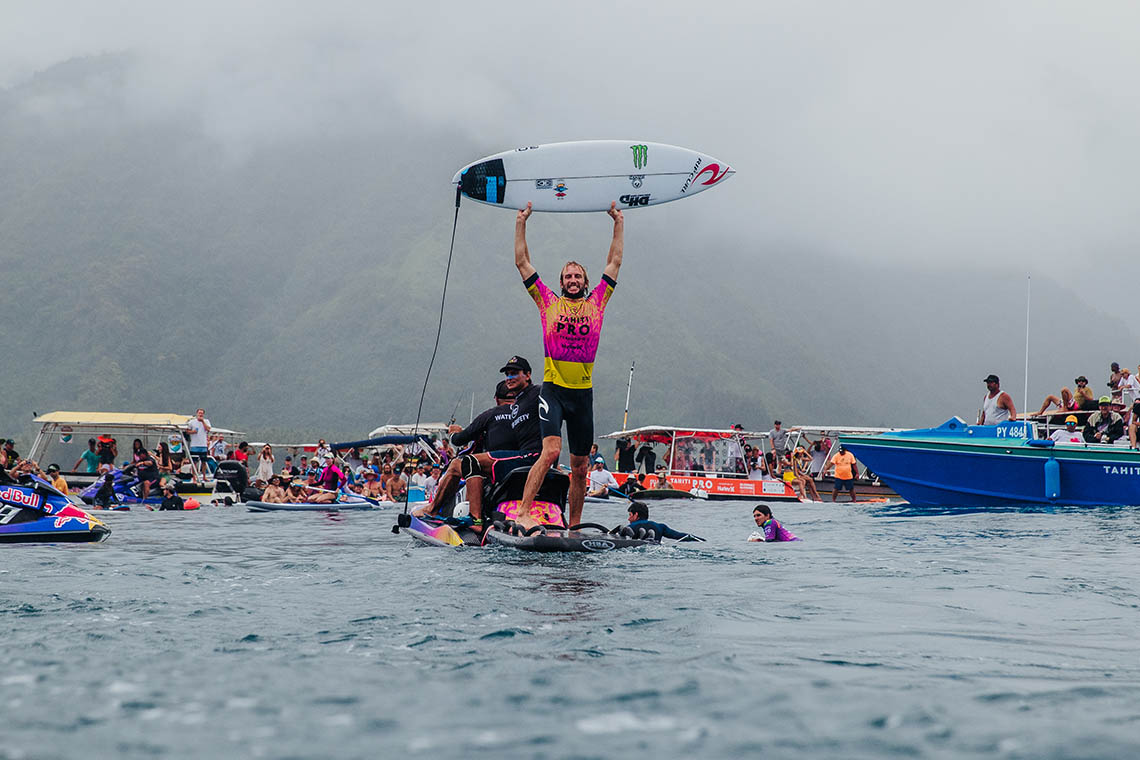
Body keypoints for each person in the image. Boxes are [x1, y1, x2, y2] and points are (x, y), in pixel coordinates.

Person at [513, 199, 624, 528]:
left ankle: (573, 526)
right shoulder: (547, 301)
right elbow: (522, 262)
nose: (572, 279)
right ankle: (523, 513)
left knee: (580, 467)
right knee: (550, 453)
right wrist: (522, 222)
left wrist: (617, 222)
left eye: (577, 276)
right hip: (554, 391)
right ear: (561, 282)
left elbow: (615, 260)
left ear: (585, 281)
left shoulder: (598, 302)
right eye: (567, 276)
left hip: (582, 396)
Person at [418, 367, 542, 529]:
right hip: (534, 463)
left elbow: (459, 440)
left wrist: (454, 433)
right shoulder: (530, 409)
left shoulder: (490, 414)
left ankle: (438, 510)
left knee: (460, 464)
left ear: (497, 399)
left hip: (505, 467)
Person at [626, 502, 701, 541]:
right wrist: (701, 540)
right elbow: (679, 536)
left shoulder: (629, 528)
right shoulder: (660, 527)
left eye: (630, 515)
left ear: (636, 514)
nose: (628, 519)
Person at [184, 409, 211, 481]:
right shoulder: (192, 422)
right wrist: (192, 432)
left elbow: (208, 429)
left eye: (202, 413)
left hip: (203, 445)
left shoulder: (206, 421)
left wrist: (202, 422)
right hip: (194, 445)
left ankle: (204, 476)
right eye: (199, 413)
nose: (200, 414)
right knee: (194, 463)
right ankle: (194, 478)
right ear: (196, 414)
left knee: (204, 462)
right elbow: (187, 431)